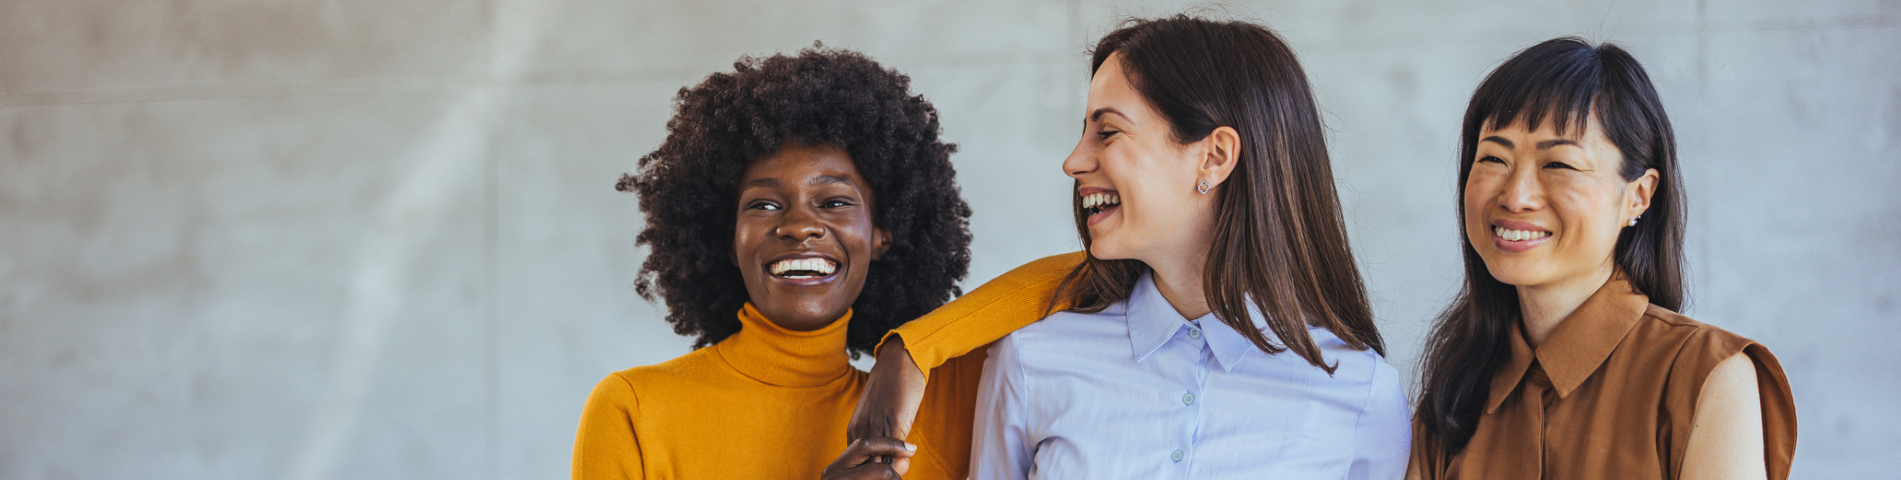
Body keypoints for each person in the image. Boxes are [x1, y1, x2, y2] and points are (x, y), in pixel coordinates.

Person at [842, 16, 1410, 479]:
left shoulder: (1362, 394)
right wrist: (909, 350)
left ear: (1214, 157)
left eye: (1107, 131)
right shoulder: (1031, 361)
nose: (1073, 161)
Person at [570, 45, 984, 480]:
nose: (800, 225)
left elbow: (1058, 279)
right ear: (729, 239)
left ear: (884, 234)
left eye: (835, 201)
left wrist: (907, 348)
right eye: (765, 205)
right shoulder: (633, 407)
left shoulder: (925, 417)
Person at [1406, 38, 1798, 479]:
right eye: (1495, 158)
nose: (1515, 197)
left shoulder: (1709, 378)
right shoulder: (1452, 400)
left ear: (1638, 196)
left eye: (1558, 164)